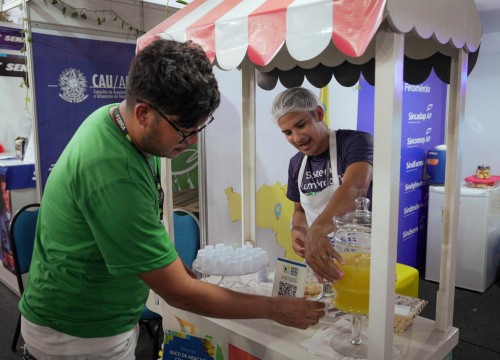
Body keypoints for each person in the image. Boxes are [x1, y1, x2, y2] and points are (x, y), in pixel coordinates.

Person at [19, 40, 325, 359]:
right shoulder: (112, 170)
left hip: (102, 319)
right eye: (184, 131)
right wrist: (272, 308)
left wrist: (183, 273)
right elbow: (178, 293)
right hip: (77, 334)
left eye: (199, 129)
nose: (191, 142)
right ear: (143, 113)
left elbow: (154, 236)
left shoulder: (120, 125)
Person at [271, 87, 373, 283]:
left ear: (318, 114)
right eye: (288, 132)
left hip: (361, 257)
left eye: (301, 125)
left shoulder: (355, 143)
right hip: (321, 260)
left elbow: (355, 188)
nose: (297, 137)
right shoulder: (296, 164)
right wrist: (298, 231)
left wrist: (316, 230)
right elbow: (299, 210)